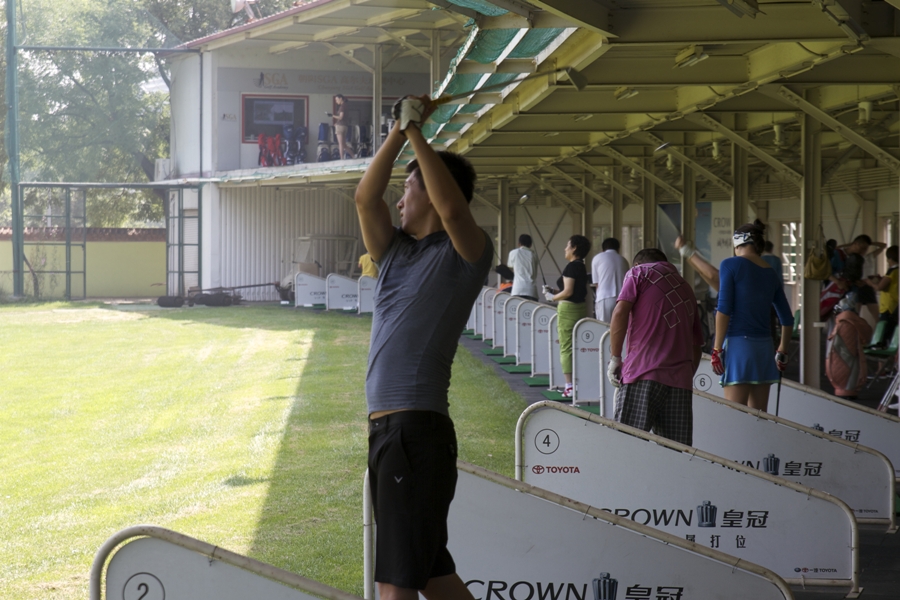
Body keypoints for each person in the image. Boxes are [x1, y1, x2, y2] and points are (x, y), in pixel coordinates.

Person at [354, 94, 491, 600]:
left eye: (408, 190)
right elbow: (365, 199)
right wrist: (397, 130)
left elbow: (453, 208)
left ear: (432, 192)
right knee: (434, 579)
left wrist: (417, 134)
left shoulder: (467, 252)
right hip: (391, 434)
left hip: (415, 433)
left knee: (396, 588)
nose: (399, 201)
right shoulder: (393, 253)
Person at [606, 248, 703, 445]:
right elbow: (696, 344)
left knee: (625, 445)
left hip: (642, 373)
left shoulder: (638, 273)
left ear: (637, 264)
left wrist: (615, 358)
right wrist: (684, 374)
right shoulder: (686, 288)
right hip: (679, 383)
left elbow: (619, 313)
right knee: (674, 456)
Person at [712, 221, 794, 412]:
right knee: (758, 417)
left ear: (737, 243)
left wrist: (717, 349)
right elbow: (787, 319)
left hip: (739, 347)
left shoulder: (730, 264)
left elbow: (723, 309)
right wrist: (782, 350)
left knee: (735, 416)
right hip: (764, 349)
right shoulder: (769, 272)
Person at [543, 235, 591, 398]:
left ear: (574, 248)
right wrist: (555, 292)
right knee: (575, 346)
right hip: (579, 308)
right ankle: (577, 383)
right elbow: (571, 290)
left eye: (567, 245)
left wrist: (552, 298)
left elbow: (568, 292)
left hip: (568, 310)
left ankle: (569, 386)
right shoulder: (581, 266)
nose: (565, 248)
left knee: (566, 347)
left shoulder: (571, 267)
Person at [825, 294, 873, 400]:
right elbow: (867, 334)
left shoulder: (840, 323)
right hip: (853, 358)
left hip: (839, 363)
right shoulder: (858, 322)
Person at [590, 237, 629, 322]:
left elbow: (596, 283)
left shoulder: (597, 258)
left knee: (604, 328)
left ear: (602, 249)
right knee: (620, 327)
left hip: (604, 297)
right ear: (618, 249)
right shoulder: (624, 260)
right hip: (622, 299)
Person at [876, 245, 899, 344]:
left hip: (888, 306)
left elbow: (879, 287)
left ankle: (882, 358)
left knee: (884, 336)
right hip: (895, 305)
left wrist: (869, 282)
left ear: (889, 258)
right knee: (893, 334)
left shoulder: (892, 270)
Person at [507, 234, 539, 300]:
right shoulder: (534, 255)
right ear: (530, 245)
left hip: (517, 289)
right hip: (531, 290)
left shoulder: (513, 253)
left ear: (519, 244)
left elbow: (511, 266)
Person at [333, 94, 348, 160]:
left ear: (341, 98)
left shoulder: (342, 107)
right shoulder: (346, 106)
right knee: (344, 144)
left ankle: (341, 158)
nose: (336, 101)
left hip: (340, 126)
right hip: (345, 125)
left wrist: (333, 116)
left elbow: (341, 117)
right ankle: (353, 156)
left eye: (337, 99)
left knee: (340, 144)